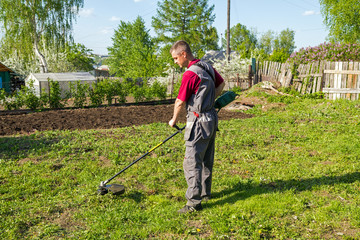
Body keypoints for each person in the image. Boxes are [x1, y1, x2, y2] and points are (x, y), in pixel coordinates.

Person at [168, 40, 225, 214]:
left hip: (198, 121)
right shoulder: (206, 66)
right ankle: (205, 193)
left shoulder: (190, 74)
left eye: (176, 58)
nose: (175, 62)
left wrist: (173, 120)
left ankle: (193, 203)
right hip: (211, 118)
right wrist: (209, 101)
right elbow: (221, 84)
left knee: (192, 162)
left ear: (184, 54)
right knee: (207, 158)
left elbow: (180, 102)